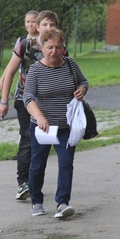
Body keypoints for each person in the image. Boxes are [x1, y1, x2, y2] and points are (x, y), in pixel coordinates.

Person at [24, 28, 88, 219]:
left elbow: (84, 81)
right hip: (42, 126)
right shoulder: (35, 69)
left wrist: (82, 89)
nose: (54, 51)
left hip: (65, 126)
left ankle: (62, 203)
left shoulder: (70, 64)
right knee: (38, 164)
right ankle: (36, 201)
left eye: (58, 47)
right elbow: (28, 97)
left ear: (63, 48)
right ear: (42, 48)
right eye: (50, 47)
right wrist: (40, 117)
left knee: (66, 162)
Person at [0, 10, 58, 201]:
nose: (48, 28)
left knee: (42, 142)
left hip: (48, 101)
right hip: (25, 98)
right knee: (27, 138)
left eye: (51, 25)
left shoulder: (58, 46)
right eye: (44, 25)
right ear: (38, 27)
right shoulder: (26, 45)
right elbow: (11, 72)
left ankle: (35, 182)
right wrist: (4, 101)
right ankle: (23, 183)